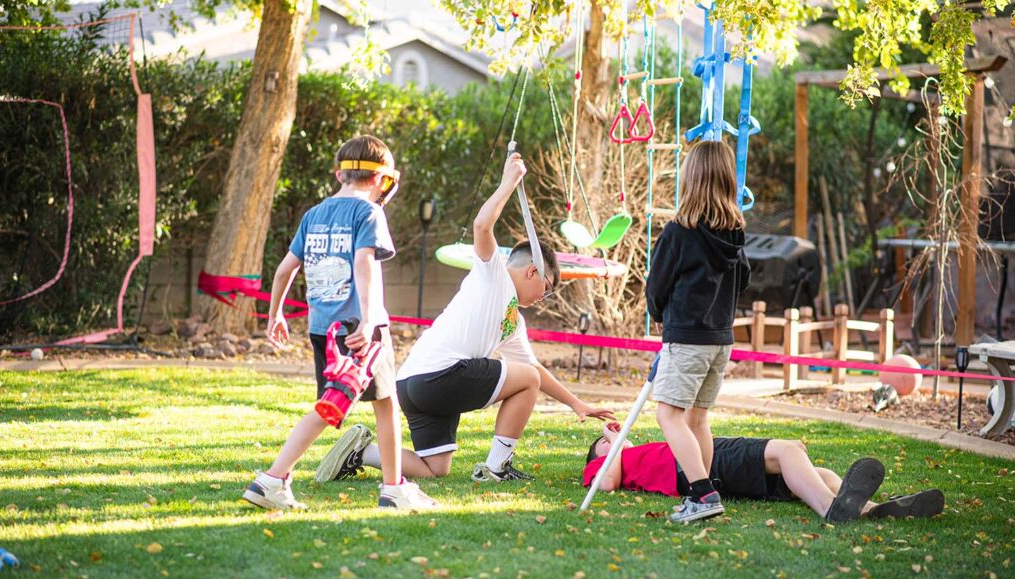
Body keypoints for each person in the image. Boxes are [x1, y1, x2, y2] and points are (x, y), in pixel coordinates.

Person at [316, 151, 614, 484]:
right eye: (545, 290)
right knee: (526, 377)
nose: (540, 300)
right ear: (532, 271)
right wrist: (507, 183)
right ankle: (497, 467)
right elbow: (482, 225)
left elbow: (538, 372)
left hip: (411, 385)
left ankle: (361, 453)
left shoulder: (512, 319)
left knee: (435, 469)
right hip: (437, 376)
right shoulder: (493, 273)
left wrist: (577, 404)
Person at [242, 135, 436, 511]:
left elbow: (285, 270)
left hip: (323, 329)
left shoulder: (313, 215)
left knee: (352, 402)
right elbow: (364, 263)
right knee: (361, 406)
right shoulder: (369, 214)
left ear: (339, 174)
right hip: (361, 327)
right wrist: (367, 320)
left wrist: (275, 314)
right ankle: (274, 478)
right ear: (384, 180)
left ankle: (392, 486)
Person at [645, 140, 751, 523]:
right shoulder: (735, 234)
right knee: (697, 418)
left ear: (690, 178)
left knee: (669, 416)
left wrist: (659, 314)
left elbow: (656, 285)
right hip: (720, 340)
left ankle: (702, 494)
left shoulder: (679, 232)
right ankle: (703, 493)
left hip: (687, 337)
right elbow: (743, 281)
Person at [584, 423, 945, 522]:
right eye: (605, 445)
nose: (617, 439)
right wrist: (609, 442)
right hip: (695, 468)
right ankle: (832, 510)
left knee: (817, 471)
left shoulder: (628, 454)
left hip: (704, 462)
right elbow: (609, 484)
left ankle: (871, 509)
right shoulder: (603, 463)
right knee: (787, 451)